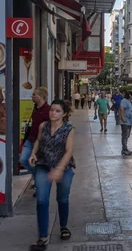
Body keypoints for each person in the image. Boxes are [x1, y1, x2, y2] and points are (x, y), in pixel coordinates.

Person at [28, 100, 75, 251]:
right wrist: (33, 153)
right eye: (52, 110)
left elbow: (69, 151)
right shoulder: (44, 126)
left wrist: (59, 169)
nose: (53, 113)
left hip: (64, 167)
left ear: (65, 114)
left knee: (62, 198)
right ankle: (43, 237)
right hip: (43, 165)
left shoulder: (69, 129)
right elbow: (38, 140)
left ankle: (63, 226)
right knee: (41, 200)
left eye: (57, 111)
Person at [20, 87, 51, 190]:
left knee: (38, 163)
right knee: (23, 159)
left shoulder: (48, 110)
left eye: (34, 95)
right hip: (30, 139)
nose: (32, 96)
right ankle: (37, 176)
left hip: (41, 142)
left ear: (41, 97)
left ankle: (39, 184)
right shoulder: (35, 107)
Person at [119, 91, 132, 156]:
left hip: (129, 122)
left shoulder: (128, 101)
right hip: (125, 122)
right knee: (125, 136)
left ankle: (124, 149)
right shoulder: (124, 101)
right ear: (130, 95)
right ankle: (124, 149)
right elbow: (122, 109)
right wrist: (123, 118)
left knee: (127, 135)